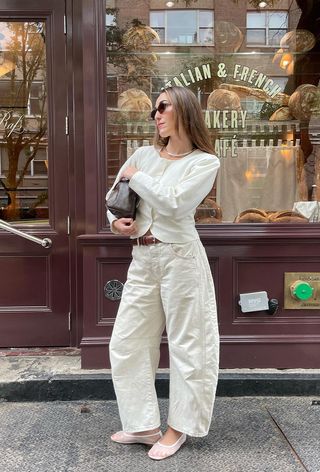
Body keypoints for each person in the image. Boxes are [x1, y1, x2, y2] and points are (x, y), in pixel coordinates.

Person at [106, 85, 220, 461]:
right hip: (143, 258)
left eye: (163, 107)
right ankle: (142, 424)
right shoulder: (142, 154)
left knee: (190, 344)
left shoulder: (205, 162)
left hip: (181, 258)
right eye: (154, 109)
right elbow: (115, 199)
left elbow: (175, 205)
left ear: (183, 111)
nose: (156, 115)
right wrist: (114, 223)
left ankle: (178, 427)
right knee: (126, 341)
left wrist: (138, 177)